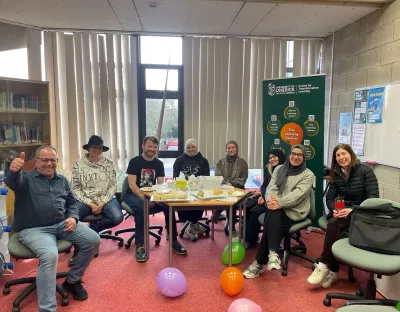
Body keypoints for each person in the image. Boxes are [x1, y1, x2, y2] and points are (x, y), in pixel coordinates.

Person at [5, 146, 100, 312]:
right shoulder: (25, 179)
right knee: (50, 255)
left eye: (53, 160)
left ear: (57, 161)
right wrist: (13, 171)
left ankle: (72, 280)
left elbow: (71, 204)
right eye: (44, 160)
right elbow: (13, 182)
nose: (49, 163)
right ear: (36, 162)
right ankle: (47, 309)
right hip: (34, 229)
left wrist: (73, 218)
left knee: (93, 240)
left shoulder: (62, 180)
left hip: (61, 224)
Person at [307, 144, 379, 288]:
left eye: (343, 153)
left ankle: (323, 266)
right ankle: (332, 272)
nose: (341, 157)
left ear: (351, 154)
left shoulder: (365, 171)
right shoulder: (336, 173)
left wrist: (352, 210)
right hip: (342, 214)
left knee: (334, 226)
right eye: (337, 155)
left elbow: (374, 198)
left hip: (362, 214)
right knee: (335, 222)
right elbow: (330, 198)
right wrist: (335, 209)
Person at [243, 144, 314, 279]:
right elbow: (271, 188)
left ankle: (260, 262)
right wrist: (271, 201)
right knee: (272, 212)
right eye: (293, 153)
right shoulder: (280, 169)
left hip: (295, 210)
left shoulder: (308, 175)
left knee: (271, 218)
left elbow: (297, 195)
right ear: (289, 155)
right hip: (277, 207)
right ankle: (272, 254)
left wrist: (279, 203)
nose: (296, 157)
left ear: (304, 157)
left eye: (300, 155)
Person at [124, 136, 186, 262]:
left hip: (152, 195)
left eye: (154, 147)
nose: (152, 149)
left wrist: (156, 197)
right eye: (149, 146)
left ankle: (174, 240)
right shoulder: (134, 161)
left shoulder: (159, 164)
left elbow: (160, 185)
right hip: (132, 194)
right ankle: (140, 245)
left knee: (169, 206)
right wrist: (146, 199)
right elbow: (132, 185)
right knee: (142, 207)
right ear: (143, 146)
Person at [68, 135, 123, 266]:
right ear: (88, 148)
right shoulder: (79, 164)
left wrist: (102, 202)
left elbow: (112, 186)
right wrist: (91, 203)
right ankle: (78, 249)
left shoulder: (109, 163)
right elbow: (75, 188)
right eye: (94, 147)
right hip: (85, 199)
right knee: (74, 218)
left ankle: (94, 231)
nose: (97, 150)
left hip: (106, 198)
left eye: (99, 148)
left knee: (117, 217)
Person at [245, 149, 286, 248]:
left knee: (256, 211)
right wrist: (261, 195)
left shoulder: (285, 170)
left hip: (276, 201)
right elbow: (264, 186)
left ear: (280, 157)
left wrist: (265, 198)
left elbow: (281, 190)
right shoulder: (270, 169)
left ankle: (250, 240)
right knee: (248, 204)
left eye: (274, 157)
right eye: (270, 158)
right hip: (266, 196)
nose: (272, 159)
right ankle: (249, 235)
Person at [173, 138, 210, 241]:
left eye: (193, 147)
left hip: (198, 190)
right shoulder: (179, 160)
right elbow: (176, 177)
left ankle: (193, 225)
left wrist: (195, 183)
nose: (191, 149)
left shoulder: (204, 161)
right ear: (186, 148)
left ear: (197, 147)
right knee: (184, 212)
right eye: (188, 147)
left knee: (198, 205)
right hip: (183, 189)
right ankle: (193, 224)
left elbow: (206, 177)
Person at [209, 140, 248, 231]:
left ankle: (229, 223)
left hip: (238, 189)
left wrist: (232, 184)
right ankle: (231, 223)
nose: (231, 150)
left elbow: (243, 178)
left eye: (233, 147)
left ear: (237, 148)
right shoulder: (220, 162)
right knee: (226, 197)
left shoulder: (243, 163)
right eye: (229, 148)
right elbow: (218, 177)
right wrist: (227, 184)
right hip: (223, 188)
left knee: (232, 200)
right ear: (226, 149)